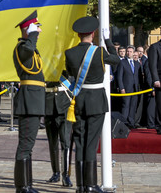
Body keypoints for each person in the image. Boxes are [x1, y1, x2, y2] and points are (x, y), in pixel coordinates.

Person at [65, 16, 120, 193]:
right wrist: (108, 41)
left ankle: (81, 185)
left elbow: (69, 73)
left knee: (80, 141)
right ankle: (90, 185)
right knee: (91, 142)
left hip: (79, 99)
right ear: (93, 34)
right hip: (96, 99)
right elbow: (117, 60)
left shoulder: (70, 53)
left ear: (79, 34)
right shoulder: (99, 52)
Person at [13, 10, 45, 193]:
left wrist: (32, 34)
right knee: (25, 145)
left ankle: (27, 185)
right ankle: (22, 186)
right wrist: (31, 34)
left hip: (34, 100)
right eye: (36, 27)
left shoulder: (29, 47)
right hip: (28, 101)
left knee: (28, 145)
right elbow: (28, 49)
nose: (39, 31)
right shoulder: (22, 47)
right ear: (28, 30)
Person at [44, 74, 73, 187]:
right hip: (49, 104)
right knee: (53, 143)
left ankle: (65, 174)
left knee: (65, 143)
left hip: (64, 103)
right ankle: (55, 172)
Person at [116, 45, 140, 128]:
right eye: (127, 51)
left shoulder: (137, 64)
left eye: (130, 51)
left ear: (133, 53)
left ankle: (131, 122)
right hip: (126, 88)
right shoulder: (122, 62)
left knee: (133, 106)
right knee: (125, 105)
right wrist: (122, 88)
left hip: (135, 89)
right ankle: (124, 123)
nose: (128, 53)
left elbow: (139, 76)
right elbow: (119, 76)